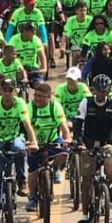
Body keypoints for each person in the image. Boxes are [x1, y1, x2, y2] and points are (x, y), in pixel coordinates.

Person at [0, 78, 38, 223]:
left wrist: (33, 142)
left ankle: (21, 181)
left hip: (15, 138)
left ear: (15, 91)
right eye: (5, 89)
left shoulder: (19, 103)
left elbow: (27, 124)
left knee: (20, 149)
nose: (7, 93)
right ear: (0, 90)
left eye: (10, 90)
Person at [73, 74, 112, 223]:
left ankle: (108, 187)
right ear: (93, 90)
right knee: (86, 182)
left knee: (111, 173)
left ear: (109, 91)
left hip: (106, 144)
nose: (101, 93)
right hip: (89, 145)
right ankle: (84, 217)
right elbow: (77, 125)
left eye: (104, 91)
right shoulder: (86, 103)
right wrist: (80, 143)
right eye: (98, 90)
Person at [25, 83, 71, 211]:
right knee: (33, 171)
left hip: (53, 140)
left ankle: (55, 169)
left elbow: (63, 126)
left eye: (41, 96)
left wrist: (67, 139)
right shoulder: (30, 107)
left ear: (49, 97)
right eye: (35, 95)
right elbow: (25, 126)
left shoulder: (55, 107)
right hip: (35, 143)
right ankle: (33, 197)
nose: (37, 99)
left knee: (65, 153)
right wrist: (27, 142)